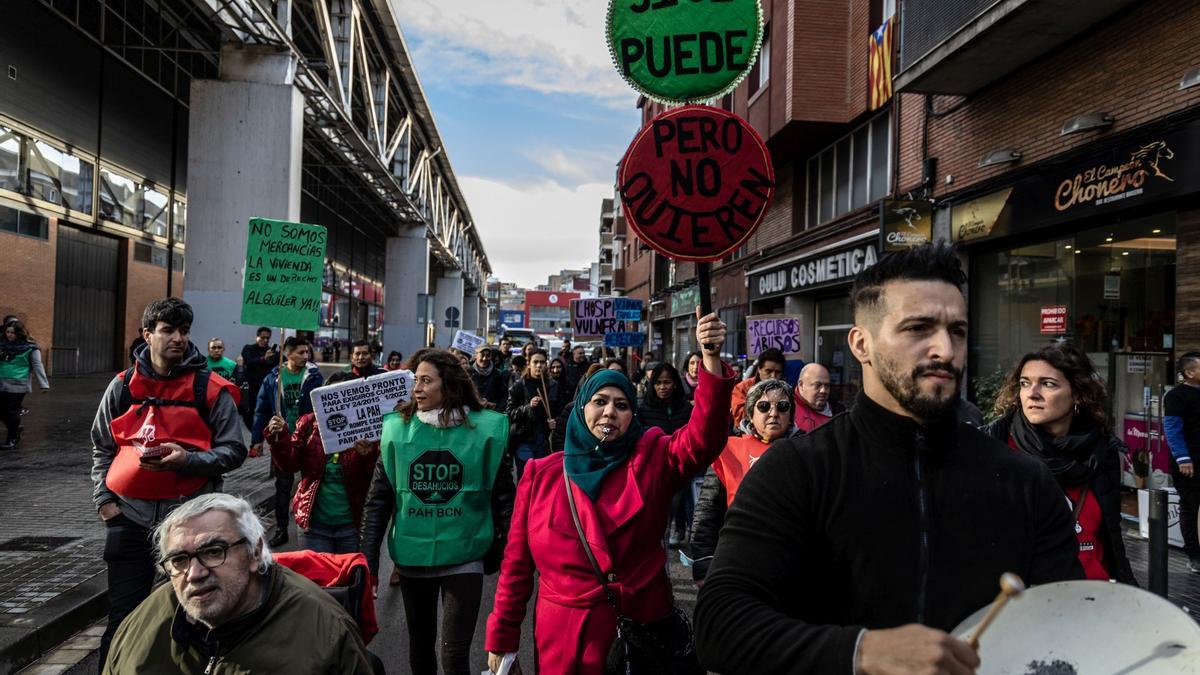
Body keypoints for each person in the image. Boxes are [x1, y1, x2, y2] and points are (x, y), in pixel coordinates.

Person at [693, 244, 1083, 674]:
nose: (944, 349)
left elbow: (1066, 629)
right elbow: (719, 624)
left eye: (958, 331)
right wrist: (860, 651)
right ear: (861, 343)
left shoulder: (1025, 482)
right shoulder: (795, 471)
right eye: (918, 328)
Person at [485, 309, 733, 674]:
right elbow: (516, 567)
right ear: (581, 408)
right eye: (599, 402)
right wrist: (502, 636)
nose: (609, 413)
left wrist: (710, 358)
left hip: (641, 633)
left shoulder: (654, 457)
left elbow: (704, 439)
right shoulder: (541, 475)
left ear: (633, 415)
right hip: (565, 638)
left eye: (621, 405)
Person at [90, 298, 246, 668]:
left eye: (184, 331)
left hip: (190, 526)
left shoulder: (210, 389)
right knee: (123, 622)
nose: (177, 338)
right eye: (167, 330)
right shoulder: (122, 386)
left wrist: (189, 461)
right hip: (128, 520)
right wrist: (104, 501)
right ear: (148, 335)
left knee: (190, 620)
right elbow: (101, 445)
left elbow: (234, 450)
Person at [362, 348, 515, 675]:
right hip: (413, 558)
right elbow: (378, 501)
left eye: (426, 381)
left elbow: (505, 500)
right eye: (415, 380)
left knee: (454, 654)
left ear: (449, 385)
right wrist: (369, 560)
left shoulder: (486, 431)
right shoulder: (396, 431)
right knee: (420, 646)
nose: (416, 388)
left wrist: (512, 552)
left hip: (466, 554)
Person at [102, 493, 373, 674]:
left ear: (255, 553)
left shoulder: (326, 633)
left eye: (213, 552)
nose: (194, 573)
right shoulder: (135, 635)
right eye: (180, 560)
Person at [982, 342, 1136, 584]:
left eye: (1048, 384)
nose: (1032, 393)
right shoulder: (994, 448)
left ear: (1078, 393)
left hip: (1093, 600)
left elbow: (1111, 540)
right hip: (1023, 605)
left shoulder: (1100, 451)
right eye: (1024, 383)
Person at [692, 379, 798, 585]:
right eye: (764, 406)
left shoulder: (806, 451)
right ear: (750, 413)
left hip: (793, 565)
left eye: (782, 406)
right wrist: (704, 562)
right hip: (740, 562)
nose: (774, 413)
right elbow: (707, 512)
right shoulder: (728, 450)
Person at [263, 372, 379, 554]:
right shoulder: (308, 423)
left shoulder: (367, 428)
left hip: (352, 526)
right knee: (316, 581)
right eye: (332, 394)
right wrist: (279, 439)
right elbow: (289, 465)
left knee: (350, 580)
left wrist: (368, 455)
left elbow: (376, 478)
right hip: (314, 526)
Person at [251, 336, 324, 547]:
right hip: (283, 441)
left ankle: (312, 524)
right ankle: (282, 529)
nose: (306, 356)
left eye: (307, 352)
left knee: (313, 482)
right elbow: (262, 409)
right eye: (301, 352)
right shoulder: (273, 378)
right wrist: (257, 439)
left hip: (310, 440)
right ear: (288, 353)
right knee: (282, 487)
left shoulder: (313, 376)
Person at [637, 362, 694, 547]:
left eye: (667, 382)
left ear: (675, 383)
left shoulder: (685, 408)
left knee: (676, 502)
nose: (663, 387)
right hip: (654, 466)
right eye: (659, 382)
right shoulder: (644, 408)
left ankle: (676, 529)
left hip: (680, 465)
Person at [1165, 351, 1200, 572]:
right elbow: (1172, 428)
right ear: (1189, 372)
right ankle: (1194, 555)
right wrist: (1182, 457)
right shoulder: (1176, 396)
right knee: (1191, 507)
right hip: (1189, 462)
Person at [506, 349, 562, 477]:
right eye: (535, 362)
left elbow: (560, 412)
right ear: (528, 363)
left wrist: (556, 421)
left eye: (542, 362)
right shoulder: (518, 386)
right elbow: (509, 413)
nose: (539, 365)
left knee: (542, 479)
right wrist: (528, 407)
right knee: (526, 478)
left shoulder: (553, 386)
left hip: (545, 440)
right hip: (524, 440)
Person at [0, 320, 48, 449]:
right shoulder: (2, 345)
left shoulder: (30, 348)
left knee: (12, 411)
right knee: (2, 411)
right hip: (1, 382)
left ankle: (12, 438)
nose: (9, 335)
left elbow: (38, 365)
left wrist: (43, 384)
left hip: (18, 384)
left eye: (13, 333)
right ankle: (15, 428)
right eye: (8, 332)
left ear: (19, 334)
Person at [730, 348, 786, 429]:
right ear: (759, 369)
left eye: (778, 372)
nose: (773, 376)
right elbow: (740, 417)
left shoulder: (786, 390)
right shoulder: (742, 388)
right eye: (768, 371)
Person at [239, 327, 278, 428]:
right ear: (257, 337)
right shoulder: (248, 348)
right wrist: (263, 359)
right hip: (251, 388)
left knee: (265, 412)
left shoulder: (271, 352)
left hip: (265, 387)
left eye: (267, 338)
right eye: (262, 337)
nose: (265, 340)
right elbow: (249, 361)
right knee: (247, 414)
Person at [793, 363, 845, 432]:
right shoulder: (786, 409)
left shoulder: (840, 414)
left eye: (827, 386)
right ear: (801, 385)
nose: (823, 391)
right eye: (817, 385)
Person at [470, 343, 509, 411]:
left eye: (488, 355)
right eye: (482, 355)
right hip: (473, 413)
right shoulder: (468, 374)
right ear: (476, 355)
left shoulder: (498, 374)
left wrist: (496, 407)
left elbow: (504, 396)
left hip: (492, 414)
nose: (485, 358)